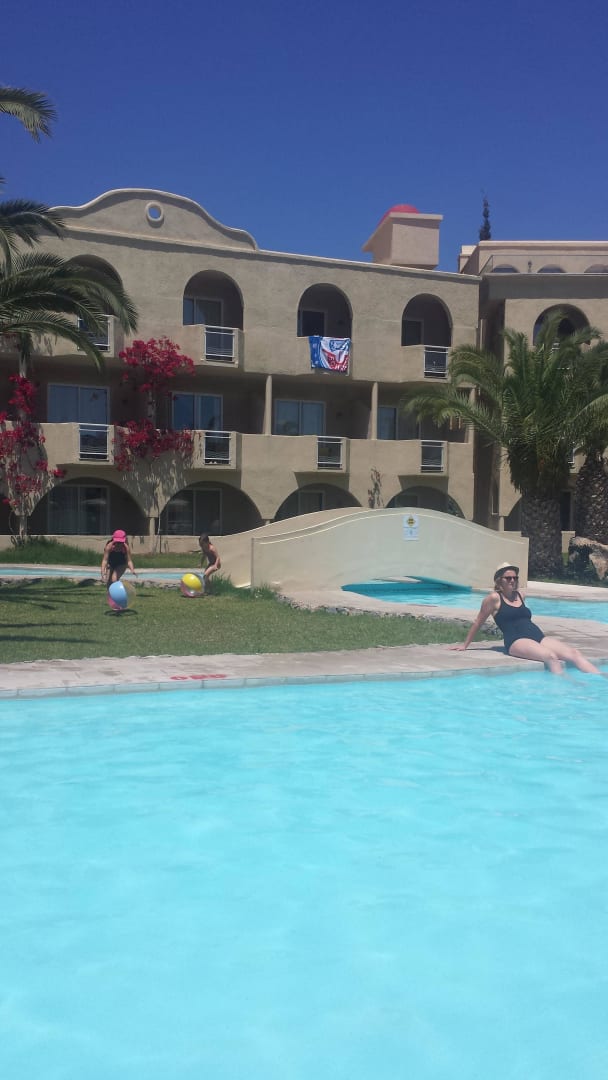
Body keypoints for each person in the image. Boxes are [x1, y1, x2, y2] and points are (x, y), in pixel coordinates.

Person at [451, 563, 601, 675]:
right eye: (508, 578)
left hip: (537, 636)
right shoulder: (493, 598)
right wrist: (465, 645)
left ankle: (601, 678)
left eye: (515, 578)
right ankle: (567, 686)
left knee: (574, 653)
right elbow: (478, 621)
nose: (512, 580)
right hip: (516, 640)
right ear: (499, 580)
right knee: (550, 656)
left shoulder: (521, 595)